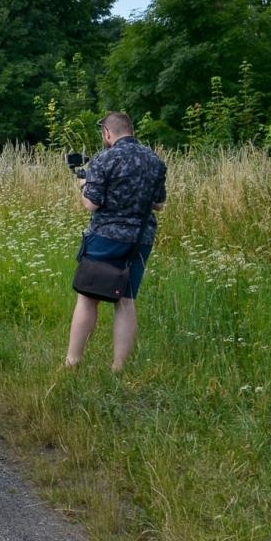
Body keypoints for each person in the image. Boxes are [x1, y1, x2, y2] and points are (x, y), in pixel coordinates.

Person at [65, 112, 168, 372]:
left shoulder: (104, 159)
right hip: (140, 239)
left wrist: (83, 186)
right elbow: (159, 204)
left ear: (107, 134)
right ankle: (119, 367)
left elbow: (92, 203)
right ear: (130, 130)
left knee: (88, 298)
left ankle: (73, 362)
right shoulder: (154, 160)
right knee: (126, 299)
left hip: (105, 237)